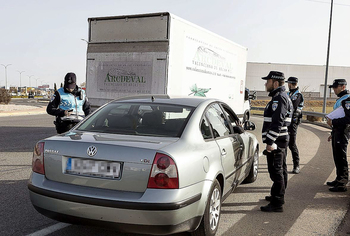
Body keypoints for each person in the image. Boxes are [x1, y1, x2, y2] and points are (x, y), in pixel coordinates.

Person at [261, 71, 293, 212]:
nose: (265, 84)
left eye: (267, 81)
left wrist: (270, 141)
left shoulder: (279, 98)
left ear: (274, 83)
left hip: (277, 140)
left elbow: (277, 121)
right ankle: (277, 195)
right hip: (280, 139)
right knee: (281, 169)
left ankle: (277, 202)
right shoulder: (280, 96)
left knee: (276, 171)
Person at [325, 79, 350, 192]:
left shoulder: (347, 100)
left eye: (336, 87)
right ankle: (338, 178)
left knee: (341, 157)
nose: (334, 89)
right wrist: (332, 132)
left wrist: (333, 122)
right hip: (337, 131)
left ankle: (342, 183)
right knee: (337, 156)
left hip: (342, 131)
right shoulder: (341, 99)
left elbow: (348, 119)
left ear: (343, 87)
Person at [285, 77, 304, 174]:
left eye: (288, 83)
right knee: (283, 143)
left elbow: (292, 106)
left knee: (292, 144)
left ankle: (296, 165)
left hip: (293, 122)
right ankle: (282, 165)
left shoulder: (298, 95)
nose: (287, 85)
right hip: (286, 121)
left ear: (291, 83)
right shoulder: (289, 93)